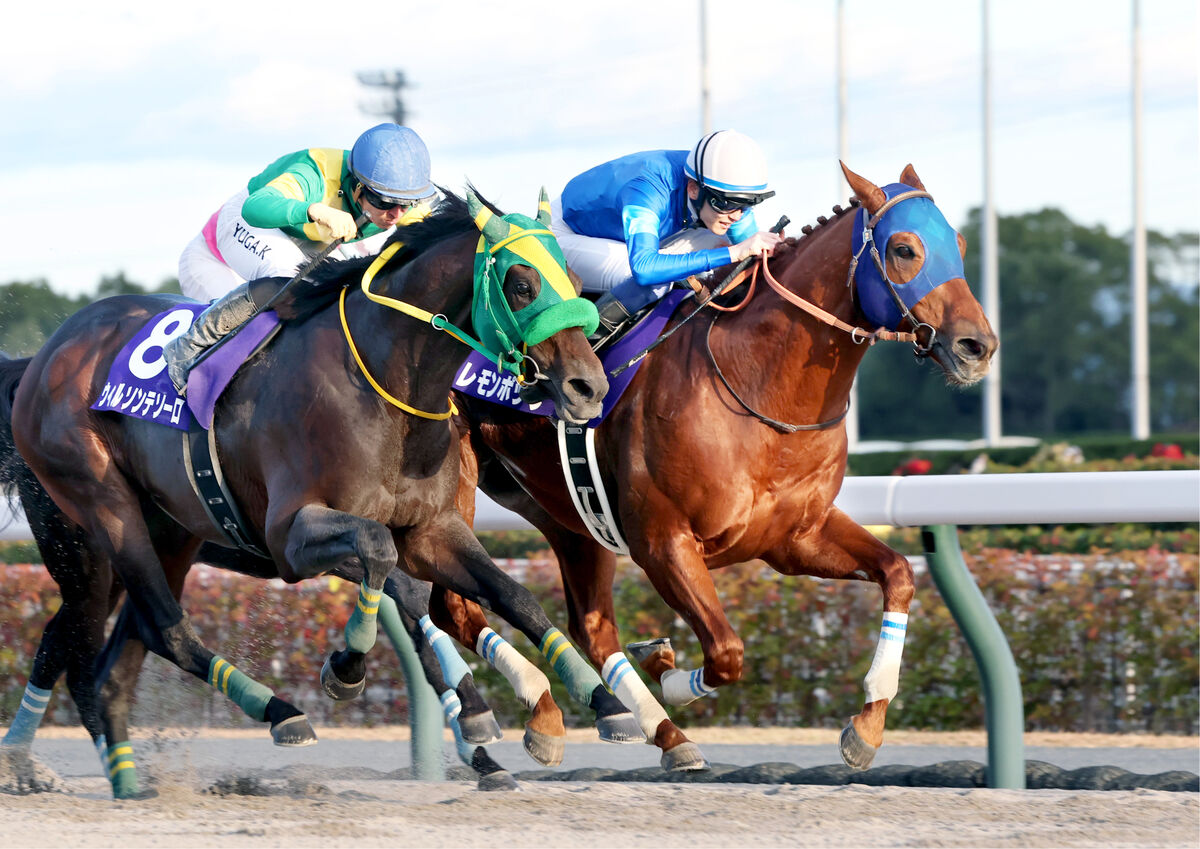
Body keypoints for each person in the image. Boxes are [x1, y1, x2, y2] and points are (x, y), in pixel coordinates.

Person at [164, 122, 438, 394]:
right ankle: (186, 348)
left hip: (292, 243)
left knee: (329, 295)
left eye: (406, 204)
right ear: (357, 186)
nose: (397, 215)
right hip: (223, 248)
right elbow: (254, 207)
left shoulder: (399, 200)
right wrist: (315, 209)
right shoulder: (315, 172)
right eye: (385, 202)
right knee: (288, 280)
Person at [550, 129, 784, 340]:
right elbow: (644, 269)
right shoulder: (649, 188)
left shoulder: (718, 189)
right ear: (693, 188)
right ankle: (576, 357)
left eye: (746, 205)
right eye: (727, 204)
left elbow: (750, 250)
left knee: (724, 246)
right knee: (655, 280)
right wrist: (733, 251)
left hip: (622, 236)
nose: (737, 216)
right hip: (565, 234)